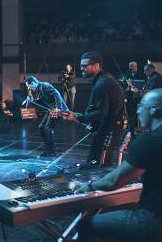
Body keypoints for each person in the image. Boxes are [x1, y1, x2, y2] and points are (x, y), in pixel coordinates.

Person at [75, 89, 162, 241]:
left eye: (141, 106)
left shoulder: (150, 141)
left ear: (154, 109)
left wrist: (90, 186)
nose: (138, 110)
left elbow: (114, 181)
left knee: (86, 225)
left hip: (152, 220)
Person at [66, 52, 126, 166]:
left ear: (96, 66)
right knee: (102, 161)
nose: (81, 68)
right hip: (114, 124)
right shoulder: (104, 78)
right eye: (81, 65)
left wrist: (77, 116)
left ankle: (102, 182)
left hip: (112, 127)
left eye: (84, 66)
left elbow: (101, 113)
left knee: (96, 162)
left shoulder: (102, 84)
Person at [25, 76, 68, 156]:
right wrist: (31, 101)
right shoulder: (38, 90)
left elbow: (57, 94)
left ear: (33, 83)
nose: (29, 88)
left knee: (48, 128)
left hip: (56, 109)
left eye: (29, 86)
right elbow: (40, 102)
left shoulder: (45, 85)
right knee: (41, 127)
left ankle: (52, 151)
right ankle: (48, 148)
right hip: (50, 110)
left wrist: (58, 108)